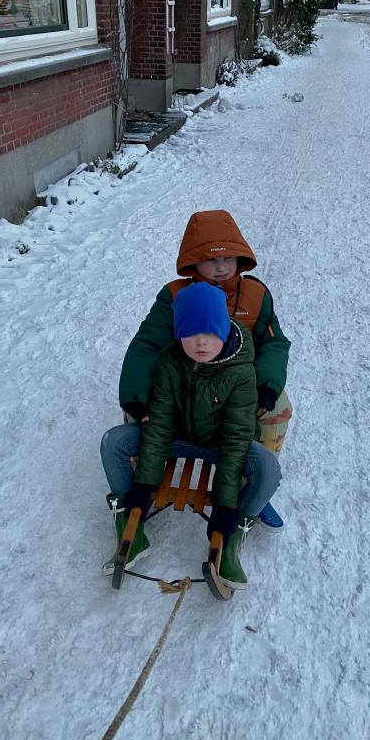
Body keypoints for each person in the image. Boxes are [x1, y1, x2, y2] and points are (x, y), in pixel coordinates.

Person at [100, 282, 282, 589]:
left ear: (223, 331)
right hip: (178, 436)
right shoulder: (170, 361)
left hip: (221, 444)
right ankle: (128, 521)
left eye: (210, 333)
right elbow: (158, 427)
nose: (200, 343)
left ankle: (234, 533)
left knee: (267, 468)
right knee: (114, 441)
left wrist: (223, 509)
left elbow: (236, 441)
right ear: (178, 333)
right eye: (189, 333)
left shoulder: (241, 371)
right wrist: (143, 488)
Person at [118, 209, 291, 530]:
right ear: (193, 261)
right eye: (211, 260)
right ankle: (143, 475)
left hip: (235, 387)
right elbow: (148, 343)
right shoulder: (175, 295)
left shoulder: (256, 296)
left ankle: (254, 483)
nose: (222, 268)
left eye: (229, 258)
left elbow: (273, 343)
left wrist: (266, 384)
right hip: (186, 384)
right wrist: (135, 396)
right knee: (137, 409)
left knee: (278, 408)